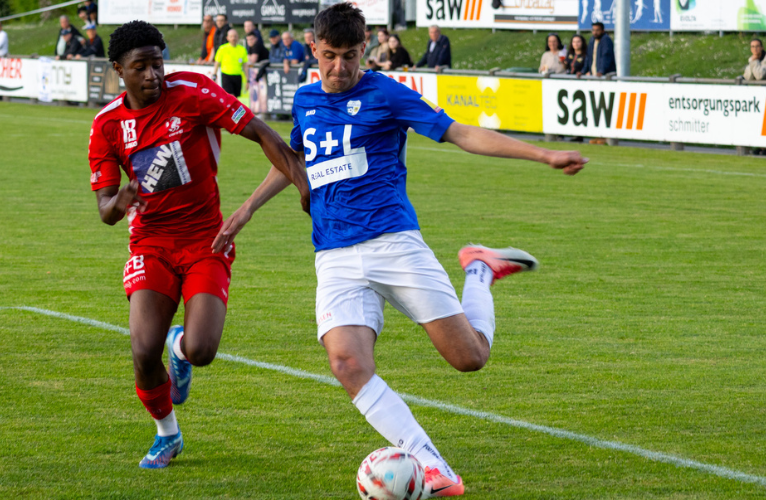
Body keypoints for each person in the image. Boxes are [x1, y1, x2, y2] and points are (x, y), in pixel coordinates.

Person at [216, 3, 587, 496]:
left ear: (364, 47)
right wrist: (244, 213)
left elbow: (460, 133)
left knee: (469, 358)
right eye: (329, 56)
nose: (340, 68)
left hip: (394, 244)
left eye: (350, 56)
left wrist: (542, 153)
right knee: (347, 364)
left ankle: (479, 269)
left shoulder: (387, 93)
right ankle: (432, 464)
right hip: (334, 257)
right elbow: (296, 160)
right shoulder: (305, 100)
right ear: (313, 49)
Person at [87, 20, 307, 469]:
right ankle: (167, 434)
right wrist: (120, 201)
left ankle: (181, 348)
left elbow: (261, 132)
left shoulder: (192, 92)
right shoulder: (106, 126)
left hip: (208, 239)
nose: (153, 75)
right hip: (150, 244)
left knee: (202, 351)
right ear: (118, 69)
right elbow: (105, 211)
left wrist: (301, 182)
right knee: (142, 350)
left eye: (158, 63)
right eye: (140, 67)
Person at [213, 28, 248, 97]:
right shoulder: (222, 49)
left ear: (237, 37)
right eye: (231, 36)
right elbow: (217, 63)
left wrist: (248, 80)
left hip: (237, 76)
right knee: (230, 96)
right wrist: (214, 74)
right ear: (227, 38)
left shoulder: (242, 49)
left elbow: (245, 65)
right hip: (226, 76)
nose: (233, 38)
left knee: (236, 98)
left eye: (235, 36)